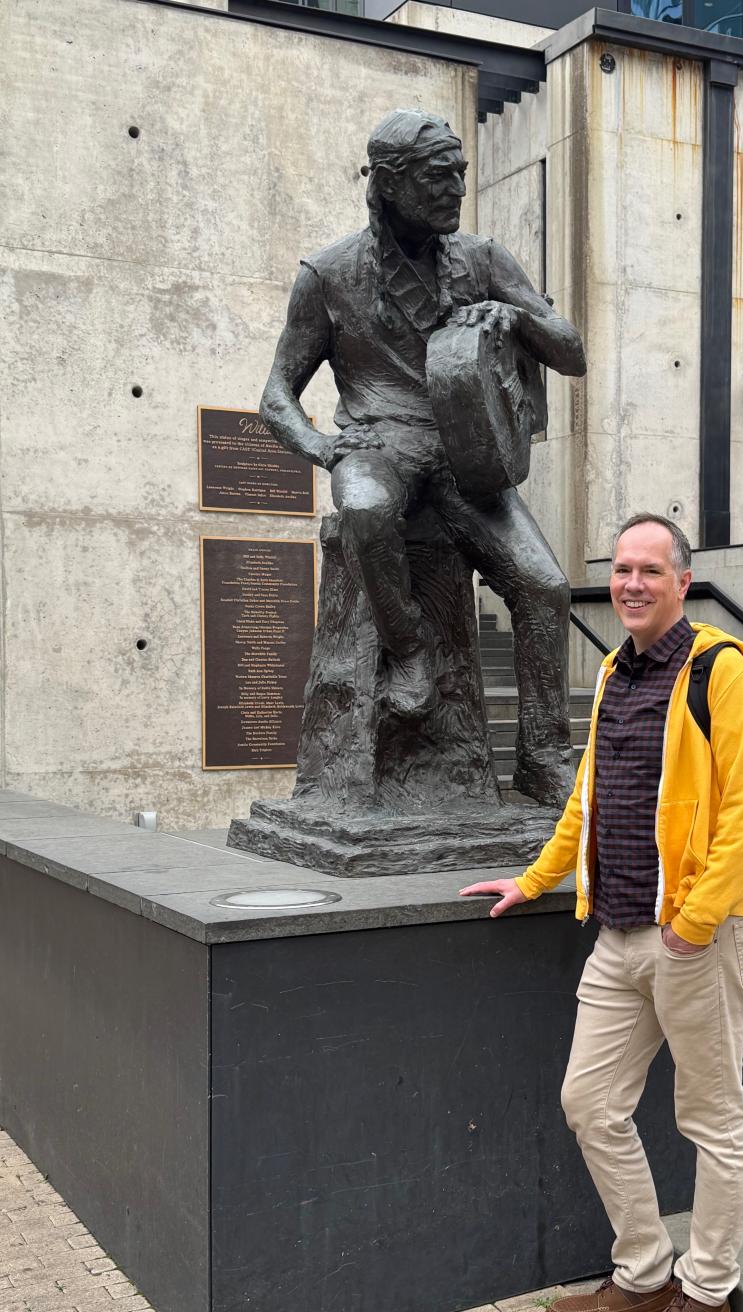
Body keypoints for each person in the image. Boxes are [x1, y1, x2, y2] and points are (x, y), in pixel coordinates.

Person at [461, 513, 743, 1312]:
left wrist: (697, 918)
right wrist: (533, 878)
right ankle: (642, 1271)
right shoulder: (611, 672)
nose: (632, 583)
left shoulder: (721, 674)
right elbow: (587, 799)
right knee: (589, 1102)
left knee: (711, 1119)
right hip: (618, 932)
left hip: (695, 938)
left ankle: (705, 1292)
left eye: (650, 569)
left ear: (682, 580)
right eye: (623, 569)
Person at [259, 108, 586, 806]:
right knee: (367, 506)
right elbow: (276, 393)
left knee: (545, 587)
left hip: (468, 456)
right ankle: (408, 651)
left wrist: (516, 318)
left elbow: (572, 350)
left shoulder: (484, 258)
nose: (456, 189)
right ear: (389, 182)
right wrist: (322, 446)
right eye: (439, 176)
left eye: (461, 174)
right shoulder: (330, 273)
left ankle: (543, 758)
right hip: (379, 439)